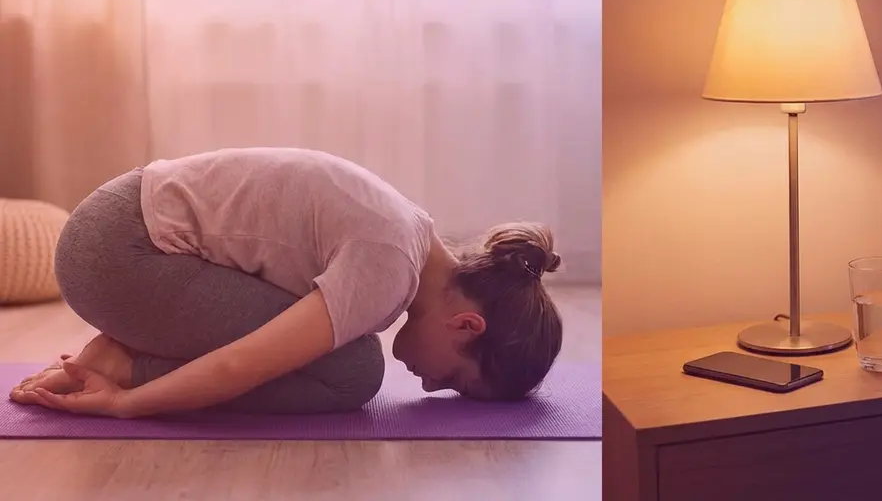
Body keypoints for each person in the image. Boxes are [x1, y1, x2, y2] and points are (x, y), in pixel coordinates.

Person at [7, 147, 563, 417]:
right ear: (467, 325)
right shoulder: (391, 264)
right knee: (354, 372)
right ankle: (122, 363)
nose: (428, 387)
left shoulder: (413, 233)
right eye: (457, 381)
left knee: (342, 348)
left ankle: (128, 345)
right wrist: (124, 404)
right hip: (120, 253)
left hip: (118, 229)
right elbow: (237, 365)